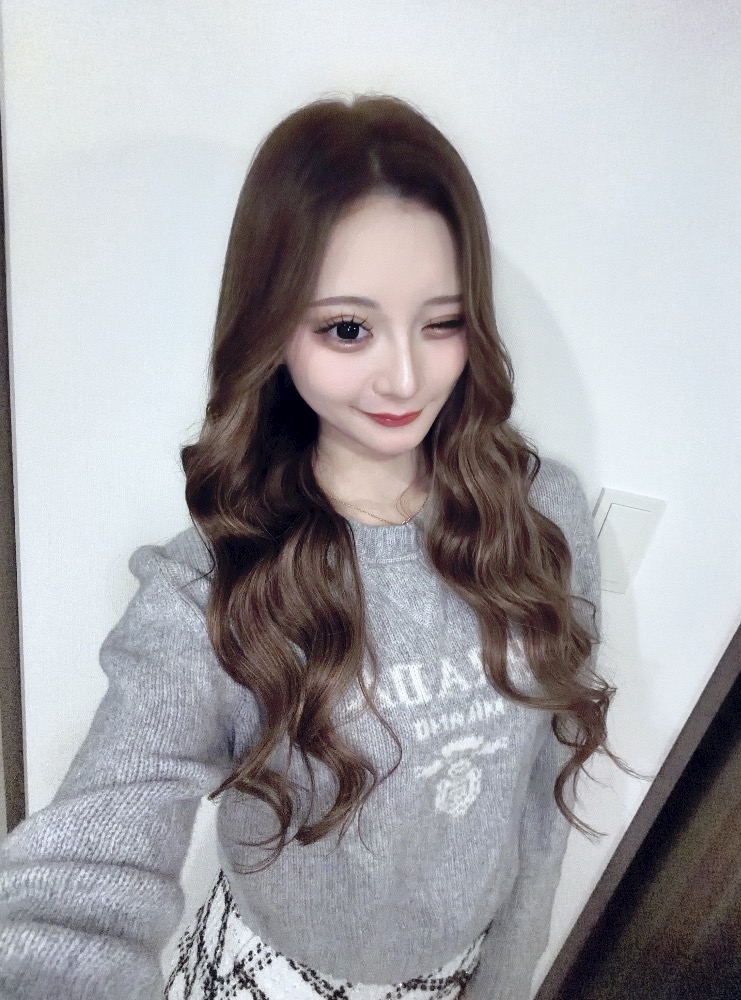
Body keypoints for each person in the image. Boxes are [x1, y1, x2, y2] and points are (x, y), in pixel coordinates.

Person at [0, 94, 613, 1000]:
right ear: (273, 327)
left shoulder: (541, 515)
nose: (405, 377)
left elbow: (543, 784)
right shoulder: (214, 588)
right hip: (267, 977)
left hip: (461, 975)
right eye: (347, 329)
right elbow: (83, 882)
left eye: (442, 322)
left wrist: (511, 971)